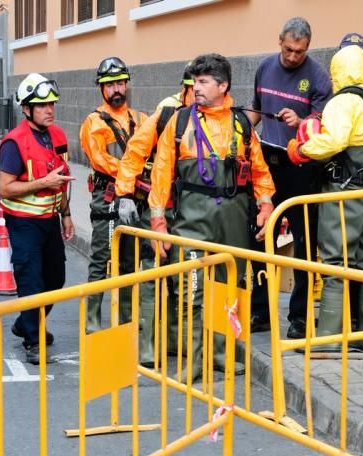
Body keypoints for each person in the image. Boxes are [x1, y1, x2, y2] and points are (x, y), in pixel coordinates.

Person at [149, 53, 275, 379]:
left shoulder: (241, 124)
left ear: (223, 85)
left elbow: (260, 172)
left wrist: (265, 207)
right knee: (190, 289)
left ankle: (224, 354)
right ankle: (193, 359)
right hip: (192, 217)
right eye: (194, 81)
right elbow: (161, 174)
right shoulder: (179, 123)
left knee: (230, 286)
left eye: (204, 82)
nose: (197, 88)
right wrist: (158, 221)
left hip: (232, 217)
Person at [287, 44, 363, 351]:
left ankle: (327, 339)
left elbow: (333, 142)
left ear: (337, 71)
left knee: (335, 261)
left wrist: (301, 149)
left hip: (344, 191)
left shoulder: (343, 102)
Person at [248, 17, 332, 339]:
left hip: (300, 165)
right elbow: (256, 109)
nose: (293, 56)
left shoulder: (318, 77)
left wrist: (300, 120)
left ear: (308, 48)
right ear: (279, 39)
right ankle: (261, 311)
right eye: (289, 49)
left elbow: (323, 125)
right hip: (266, 163)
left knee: (304, 241)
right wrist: (242, 128)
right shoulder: (265, 67)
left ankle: (299, 317)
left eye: (300, 51)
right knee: (259, 235)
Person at [115, 63, 195, 366]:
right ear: (186, 88)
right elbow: (134, 153)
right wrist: (124, 195)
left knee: (179, 274)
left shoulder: (210, 115)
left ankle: (174, 339)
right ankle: (147, 345)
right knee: (150, 272)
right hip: (157, 204)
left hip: (188, 207)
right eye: (195, 87)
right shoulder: (166, 114)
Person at [0, 72, 75, 364]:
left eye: (52, 104)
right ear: (27, 109)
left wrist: (66, 214)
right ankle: (33, 339)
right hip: (23, 223)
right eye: (42, 105)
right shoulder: (13, 143)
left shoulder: (57, 136)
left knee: (56, 279)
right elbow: (4, 187)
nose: (50, 110)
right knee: (31, 280)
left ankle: (24, 323)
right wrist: (42, 184)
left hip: (50, 221)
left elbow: (62, 178)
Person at [79, 56, 147, 332]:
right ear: (101, 88)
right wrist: (132, 172)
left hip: (135, 196)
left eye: (120, 82)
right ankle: (93, 317)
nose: (117, 89)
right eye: (110, 85)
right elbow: (101, 160)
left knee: (131, 259)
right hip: (107, 196)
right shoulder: (93, 123)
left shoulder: (140, 119)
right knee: (101, 257)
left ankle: (127, 317)